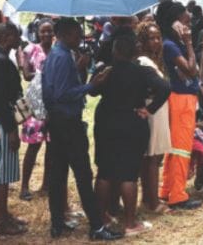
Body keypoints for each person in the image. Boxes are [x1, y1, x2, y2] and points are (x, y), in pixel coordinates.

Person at [41, 18, 120, 240]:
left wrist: (81, 70)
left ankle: (57, 223)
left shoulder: (60, 55)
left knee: (58, 174)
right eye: (76, 35)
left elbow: (62, 85)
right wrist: (92, 85)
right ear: (65, 35)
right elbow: (62, 93)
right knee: (83, 174)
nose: (80, 39)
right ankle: (96, 225)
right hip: (67, 122)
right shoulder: (62, 57)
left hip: (58, 122)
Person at [91, 27, 170, 236]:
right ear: (135, 52)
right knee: (129, 175)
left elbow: (92, 91)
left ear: (116, 51)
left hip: (106, 121)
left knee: (104, 172)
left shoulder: (107, 70)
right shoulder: (142, 71)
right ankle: (130, 223)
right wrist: (150, 109)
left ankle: (102, 218)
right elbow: (164, 88)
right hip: (132, 122)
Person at [158, 2, 203, 210]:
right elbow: (192, 70)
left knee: (175, 146)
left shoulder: (175, 42)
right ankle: (178, 194)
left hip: (184, 97)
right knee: (182, 148)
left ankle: (167, 189)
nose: (188, 24)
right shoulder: (171, 44)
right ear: (174, 21)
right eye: (185, 20)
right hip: (180, 99)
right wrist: (190, 42)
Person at [0, 22, 27, 235]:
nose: (19, 38)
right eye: (16, 35)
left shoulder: (3, 59)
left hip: (6, 121)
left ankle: (5, 215)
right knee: (2, 173)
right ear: (5, 37)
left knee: (6, 170)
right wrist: (11, 129)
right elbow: (0, 101)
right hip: (3, 123)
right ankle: (1, 221)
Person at [136, 22, 172, 213]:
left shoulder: (154, 60)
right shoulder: (144, 61)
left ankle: (146, 198)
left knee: (152, 157)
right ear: (142, 40)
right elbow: (160, 88)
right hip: (153, 112)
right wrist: (150, 109)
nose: (157, 41)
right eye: (151, 37)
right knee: (152, 157)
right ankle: (153, 202)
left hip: (158, 110)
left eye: (158, 37)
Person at [19, 18, 54, 201]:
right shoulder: (31, 50)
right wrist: (45, 74)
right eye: (43, 31)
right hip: (36, 103)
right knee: (34, 146)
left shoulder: (57, 51)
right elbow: (26, 74)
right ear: (38, 33)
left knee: (51, 146)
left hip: (53, 104)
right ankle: (24, 185)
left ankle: (46, 184)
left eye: (50, 31)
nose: (47, 34)